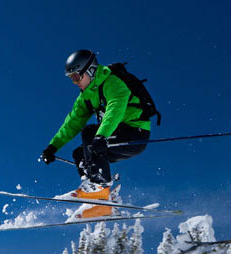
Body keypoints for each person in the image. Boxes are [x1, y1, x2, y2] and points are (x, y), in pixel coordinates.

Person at [40, 49, 152, 218]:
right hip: (111, 136)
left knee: (89, 133)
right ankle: (101, 202)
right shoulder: (86, 97)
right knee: (80, 153)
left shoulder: (112, 82)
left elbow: (115, 109)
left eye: (76, 77)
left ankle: (100, 186)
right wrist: (53, 146)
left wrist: (101, 136)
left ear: (90, 70)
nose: (75, 82)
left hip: (135, 134)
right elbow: (72, 123)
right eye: (71, 78)